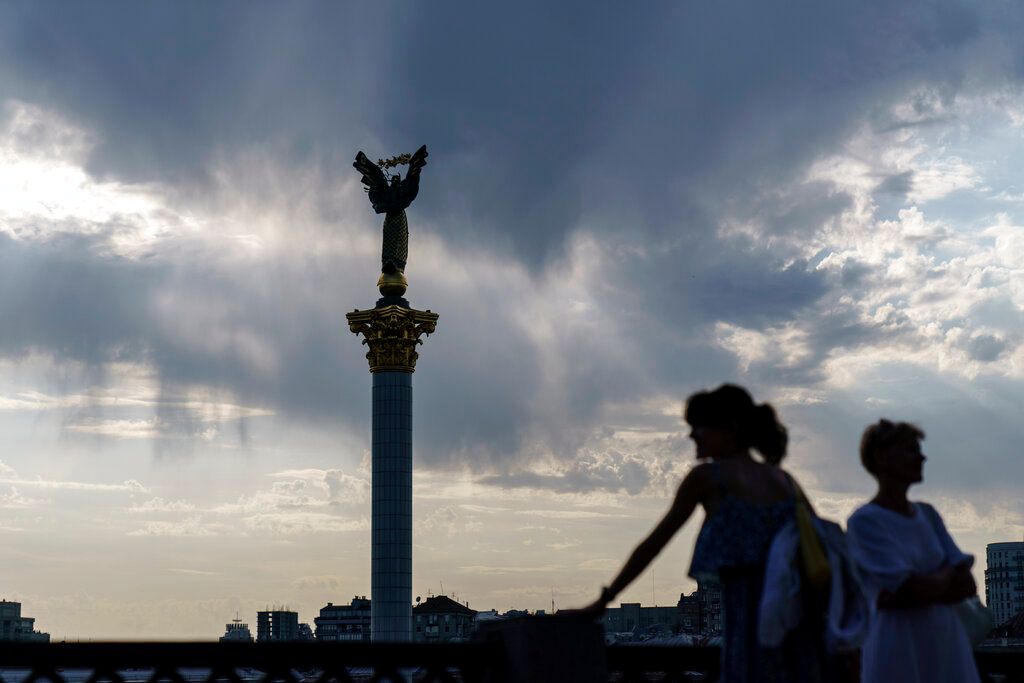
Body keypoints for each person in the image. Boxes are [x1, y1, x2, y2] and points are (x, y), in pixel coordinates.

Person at [577, 384, 833, 682]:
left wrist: (605, 599)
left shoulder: (708, 478)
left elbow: (654, 544)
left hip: (749, 619)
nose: (691, 436)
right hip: (800, 621)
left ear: (730, 428)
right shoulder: (785, 481)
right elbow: (821, 549)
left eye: (698, 427)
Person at [846, 420, 980, 683]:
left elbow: (967, 585)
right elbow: (910, 588)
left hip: (945, 643)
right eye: (910, 449)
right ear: (881, 457)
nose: (922, 457)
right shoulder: (865, 521)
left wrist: (908, 592)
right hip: (898, 644)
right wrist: (946, 573)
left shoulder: (928, 514)